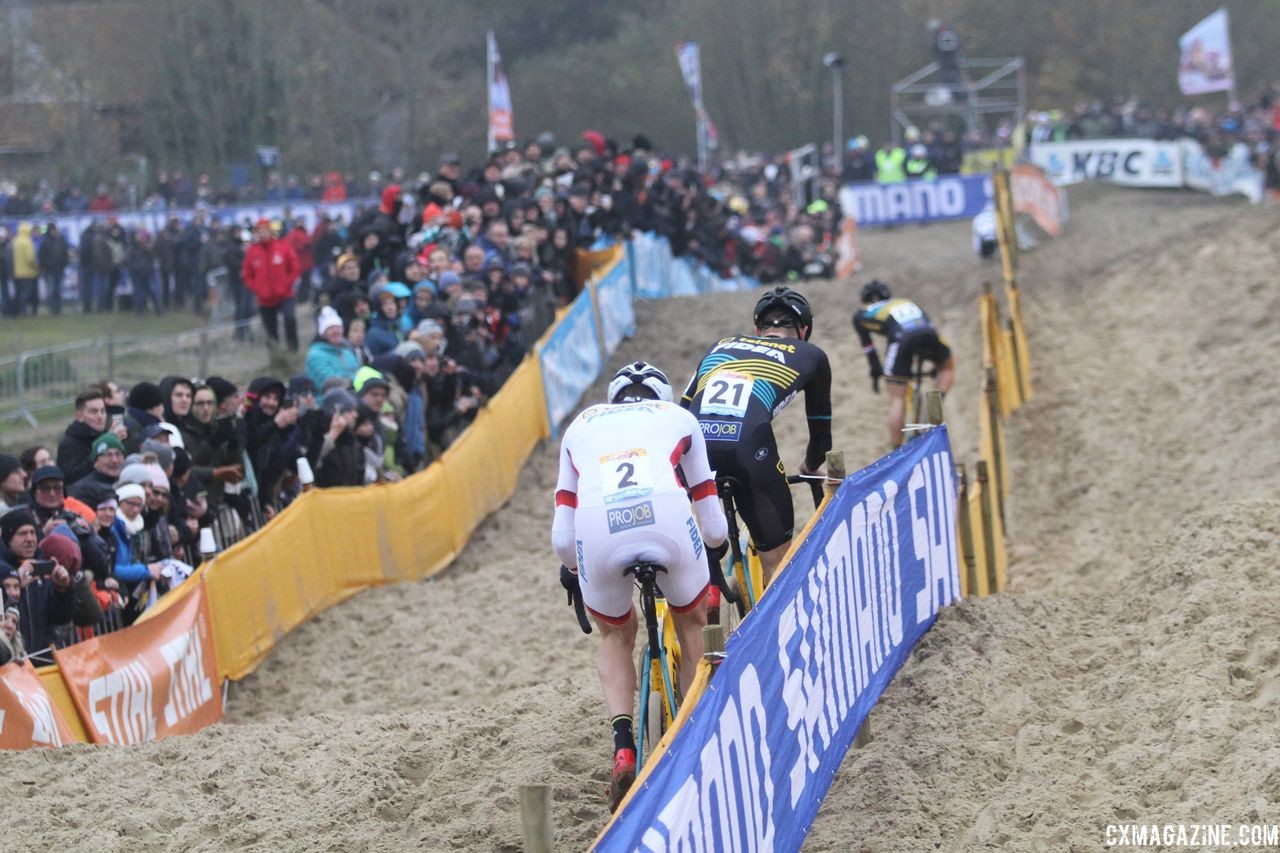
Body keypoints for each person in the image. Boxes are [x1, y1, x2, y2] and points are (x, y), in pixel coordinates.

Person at [551, 361, 728, 812]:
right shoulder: (679, 418)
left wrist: (573, 568)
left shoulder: (582, 423)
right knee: (691, 621)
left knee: (615, 632)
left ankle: (624, 744)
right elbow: (710, 518)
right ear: (661, 397)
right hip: (666, 519)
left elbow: (561, 535)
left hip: (599, 530)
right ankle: (690, 736)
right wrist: (716, 548)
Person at [680, 286, 832, 586]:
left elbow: (682, 409)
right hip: (748, 448)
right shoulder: (810, 354)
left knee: (696, 544)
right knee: (778, 561)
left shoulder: (721, 344)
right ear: (803, 330)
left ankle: (707, 586)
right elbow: (820, 432)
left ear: (757, 329)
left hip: (694, 447)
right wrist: (811, 465)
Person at [853, 280, 955, 448]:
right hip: (927, 333)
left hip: (902, 339)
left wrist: (877, 371)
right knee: (947, 366)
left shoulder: (861, 314)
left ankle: (896, 448)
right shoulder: (904, 301)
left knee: (896, 398)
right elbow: (927, 322)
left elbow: (869, 348)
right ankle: (934, 408)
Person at [242, 218, 301, 351]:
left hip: (285, 294)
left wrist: (287, 283)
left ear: (270, 231)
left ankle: (293, 350)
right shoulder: (253, 252)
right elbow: (247, 274)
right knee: (270, 329)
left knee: (289, 318)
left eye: (265, 230)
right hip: (265, 299)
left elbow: (295, 267)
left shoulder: (283, 247)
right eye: (260, 231)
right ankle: (276, 357)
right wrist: (257, 288)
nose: (263, 234)